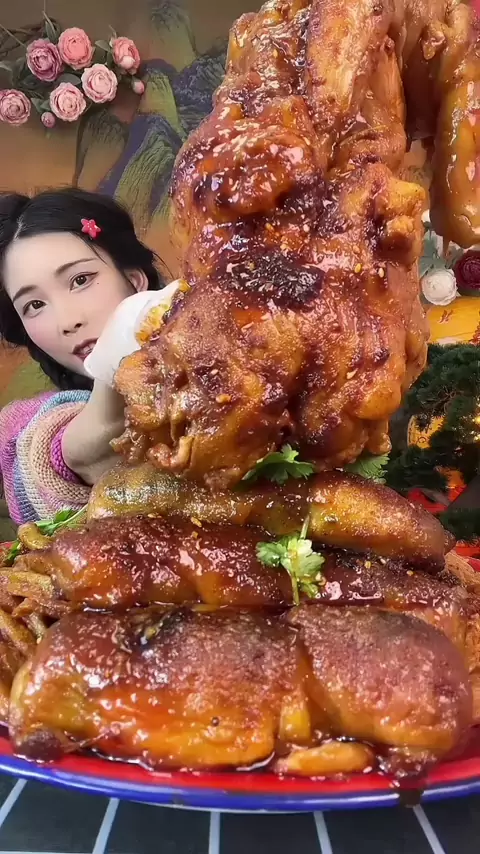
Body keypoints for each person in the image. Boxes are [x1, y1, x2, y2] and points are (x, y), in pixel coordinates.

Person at [0, 187, 165, 526]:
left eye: (80, 280)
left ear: (134, 280)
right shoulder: (25, 428)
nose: (67, 321)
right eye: (34, 305)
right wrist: (118, 361)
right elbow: (66, 451)